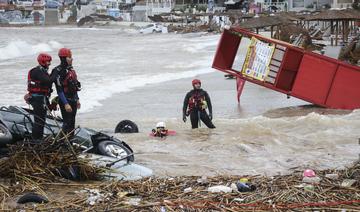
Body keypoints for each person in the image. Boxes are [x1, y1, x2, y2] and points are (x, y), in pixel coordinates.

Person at [26, 53, 58, 139]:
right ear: (43, 61)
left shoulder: (42, 71)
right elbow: (48, 81)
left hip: (41, 98)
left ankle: (38, 138)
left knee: (41, 120)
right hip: (37, 98)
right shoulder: (37, 71)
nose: (49, 63)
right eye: (48, 61)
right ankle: (36, 140)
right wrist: (55, 72)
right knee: (39, 121)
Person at [52, 48, 81, 138]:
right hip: (65, 100)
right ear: (64, 58)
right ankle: (63, 141)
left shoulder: (70, 70)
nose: (72, 59)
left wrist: (77, 99)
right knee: (67, 122)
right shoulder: (58, 71)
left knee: (72, 122)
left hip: (73, 99)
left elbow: (74, 87)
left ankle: (70, 141)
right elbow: (59, 89)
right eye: (69, 57)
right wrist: (65, 103)